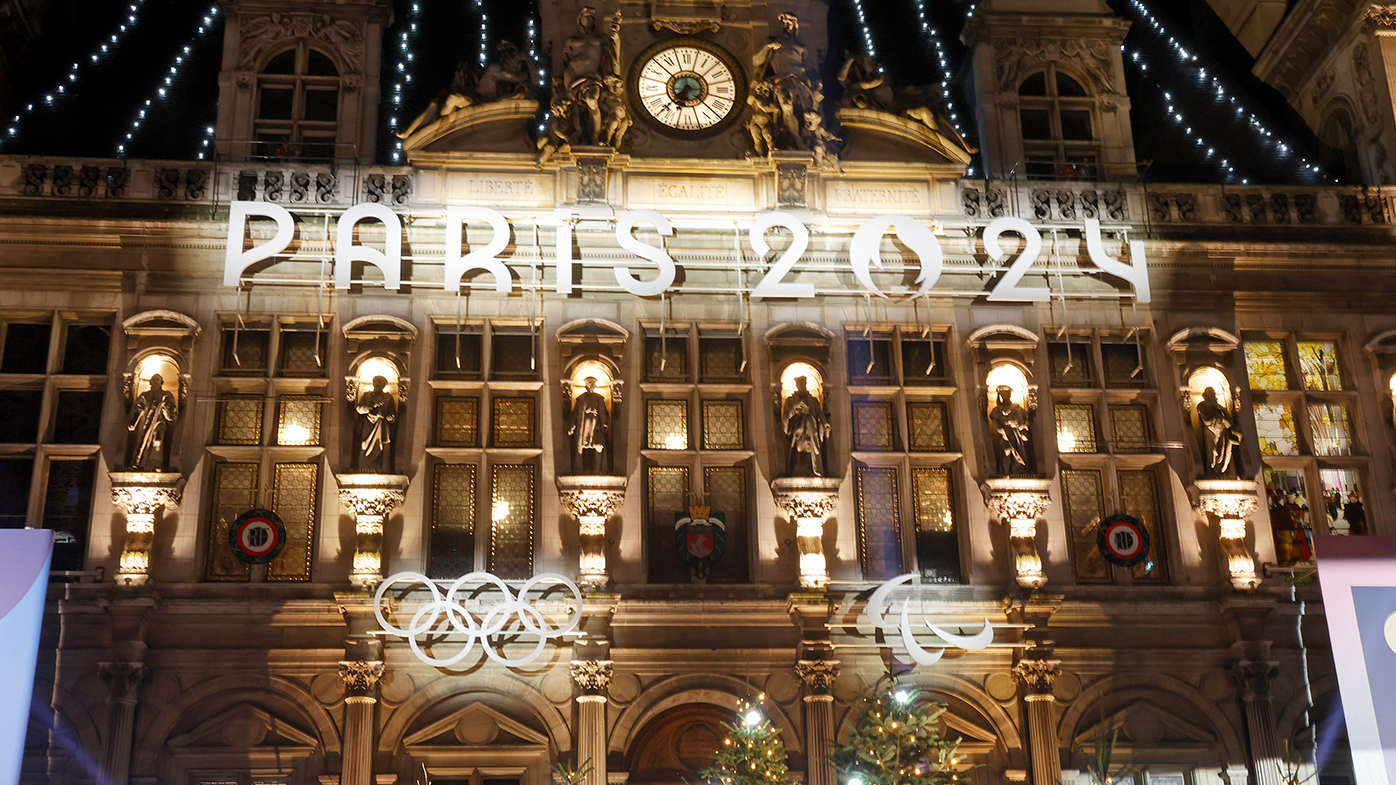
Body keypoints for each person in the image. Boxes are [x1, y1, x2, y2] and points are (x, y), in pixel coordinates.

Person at [127, 373, 178, 471]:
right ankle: (140, 463)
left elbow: (171, 415)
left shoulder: (166, 395)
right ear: (150, 382)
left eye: (157, 380)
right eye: (153, 380)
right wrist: (133, 422)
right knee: (142, 442)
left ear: (161, 383)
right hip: (144, 423)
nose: (155, 382)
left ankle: (155, 463)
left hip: (158, 424)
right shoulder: (145, 396)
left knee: (157, 442)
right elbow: (137, 408)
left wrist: (164, 406)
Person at [782, 375, 831, 477]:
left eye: (803, 384)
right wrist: (794, 409)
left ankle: (815, 466)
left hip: (811, 429)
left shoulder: (813, 400)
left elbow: (819, 413)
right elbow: (786, 417)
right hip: (797, 429)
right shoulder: (791, 400)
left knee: (809, 420)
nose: (802, 386)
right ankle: (797, 468)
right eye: (800, 384)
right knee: (800, 447)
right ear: (797, 385)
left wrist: (824, 423)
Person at [567, 376, 611, 475]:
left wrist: (605, 423)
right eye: (589, 385)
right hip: (584, 426)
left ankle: (599, 469)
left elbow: (603, 412)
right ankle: (579, 467)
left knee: (598, 445)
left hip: (596, 425)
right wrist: (572, 426)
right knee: (582, 446)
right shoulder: (581, 399)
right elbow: (575, 414)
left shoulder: (599, 399)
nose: (591, 387)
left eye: (592, 385)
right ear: (586, 386)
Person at [355, 376, 397, 473]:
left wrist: (391, 417)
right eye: (376, 382)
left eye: (380, 383)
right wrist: (371, 407)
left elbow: (393, 413)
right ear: (373, 384)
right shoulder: (366, 396)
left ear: (383, 385)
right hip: (368, 425)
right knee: (365, 445)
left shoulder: (388, 397)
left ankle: (380, 468)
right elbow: (359, 409)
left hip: (381, 424)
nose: (378, 384)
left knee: (380, 447)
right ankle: (364, 467)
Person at [1196, 386, 1240, 478]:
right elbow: (1207, 419)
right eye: (1210, 394)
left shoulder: (1218, 407)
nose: (1213, 396)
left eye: (1213, 394)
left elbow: (1229, 420)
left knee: (1225, 450)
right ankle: (1212, 470)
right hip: (1210, 432)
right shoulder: (1203, 406)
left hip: (1223, 432)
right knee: (1212, 451)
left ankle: (1225, 471)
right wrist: (1221, 420)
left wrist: (1224, 413)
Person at [989, 385, 1031, 476]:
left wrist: (1022, 426)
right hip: (1006, 435)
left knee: (1019, 453)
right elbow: (995, 424)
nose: (1005, 397)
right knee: (1006, 454)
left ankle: (1019, 471)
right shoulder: (997, 411)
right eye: (1003, 395)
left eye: (1007, 395)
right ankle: (1006, 472)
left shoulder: (1018, 409)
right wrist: (1002, 431)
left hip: (1017, 435)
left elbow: (1026, 420)